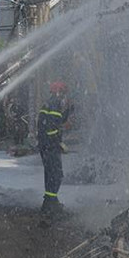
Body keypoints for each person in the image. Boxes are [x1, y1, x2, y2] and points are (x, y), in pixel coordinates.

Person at [38, 81, 74, 224]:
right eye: (64, 93)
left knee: (51, 174)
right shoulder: (54, 104)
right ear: (59, 92)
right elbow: (52, 126)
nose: (65, 96)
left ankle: (49, 203)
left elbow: (53, 121)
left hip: (45, 145)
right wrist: (57, 142)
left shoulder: (50, 103)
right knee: (56, 175)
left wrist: (68, 112)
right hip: (50, 145)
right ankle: (50, 205)